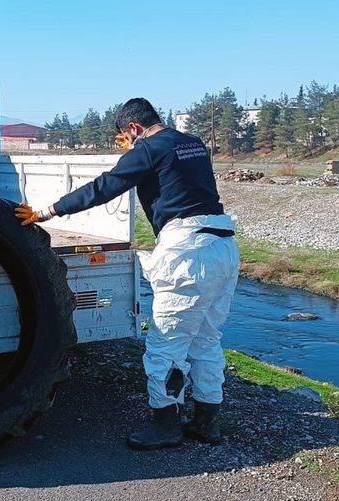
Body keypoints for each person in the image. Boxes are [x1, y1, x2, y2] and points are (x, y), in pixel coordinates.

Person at [16, 98, 239, 450]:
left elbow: (104, 187)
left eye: (125, 136)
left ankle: (166, 426)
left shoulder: (148, 148)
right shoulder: (192, 143)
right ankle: (206, 422)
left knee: (165, 346)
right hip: (223, 246)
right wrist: (139, 148)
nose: (126, 143)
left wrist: (46, 211)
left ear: (133, 128)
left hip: (187, 254)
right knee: (206, 340)